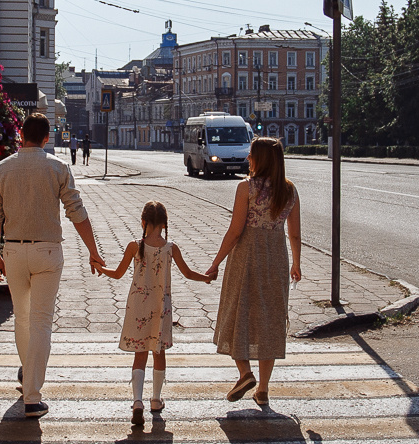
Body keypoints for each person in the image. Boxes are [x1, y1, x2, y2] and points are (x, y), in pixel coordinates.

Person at [0, 113, 104, 417]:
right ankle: (32, 397)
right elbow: (76, 211)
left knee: (22, 318)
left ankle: (28, 373)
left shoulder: (0, 170)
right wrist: (93, 250)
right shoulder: (58, 167)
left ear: (20, 135)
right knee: (41, 321)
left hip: (13, 251)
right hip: (48, 253)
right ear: (47, 138)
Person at [205, 135, 301, 410]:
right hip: (276, 258)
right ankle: (263, 390)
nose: (247, 158)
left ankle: (245, 373)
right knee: (270, 321)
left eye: (251, 154)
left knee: (236, 313)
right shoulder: (290, 190)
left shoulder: (246, 188)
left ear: (260, 159)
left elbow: (236, 231)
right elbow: (294, 232)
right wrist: (296, 263)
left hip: (246, 257)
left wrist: (215, 262)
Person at [97, 200, 213, 426]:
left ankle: (137, 401)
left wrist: (100, 267)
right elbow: (188, 273)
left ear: (143, 222)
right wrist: (206, 277)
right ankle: (156, 399)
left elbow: (118, 274)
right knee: (159, 354)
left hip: (138, 306)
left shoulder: (134, 246)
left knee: (139, 354)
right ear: (164, 224)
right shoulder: (171, 248)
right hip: (161, 308)